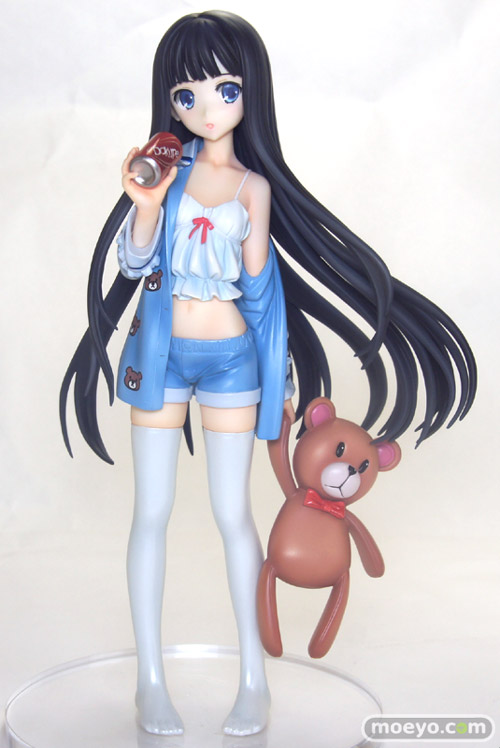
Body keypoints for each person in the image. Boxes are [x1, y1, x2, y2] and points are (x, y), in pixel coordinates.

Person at [60, 10, 476, 737]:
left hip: (231, 360)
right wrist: (146, 204)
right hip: (160, 356)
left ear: (250, 92)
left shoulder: (253, 187)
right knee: (151, 513)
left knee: (234, 515)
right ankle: (150, 680)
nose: (206, 106)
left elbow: (258, 291)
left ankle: (254, 678)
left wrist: (277, 374)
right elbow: (135, 261)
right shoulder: (166, 174)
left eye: (225, 88)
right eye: (187, 93)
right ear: (170, 101)